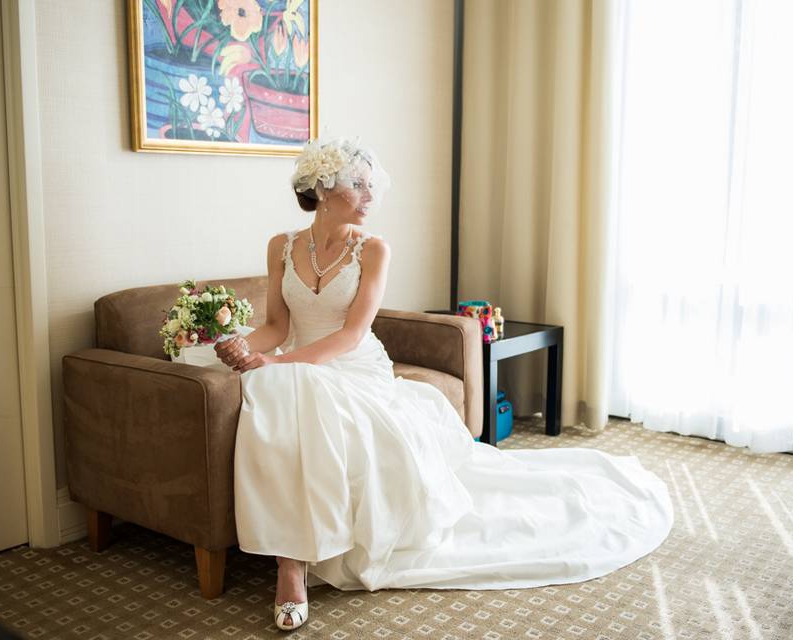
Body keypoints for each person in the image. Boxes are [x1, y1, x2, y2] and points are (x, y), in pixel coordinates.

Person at [214, 137, 674, 632]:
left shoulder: (373, 250)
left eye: (372, 187)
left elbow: (350, 335)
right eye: (360, 186)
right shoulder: (281, 246)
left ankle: (292, 566)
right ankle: (293, 559)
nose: (371, 197)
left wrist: (277, 364)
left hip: (352, 364)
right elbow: (277, 327)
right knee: (281, 393)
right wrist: (242, 345)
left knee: (297, 390)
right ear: (325, 190)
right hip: (299, 358)